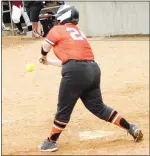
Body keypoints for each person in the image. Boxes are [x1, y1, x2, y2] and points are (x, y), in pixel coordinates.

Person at [39, 5, 143, 152]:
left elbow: (46, 46)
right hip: (93, 69)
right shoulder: (79, 32)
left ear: (64, 17)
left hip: (76, 71)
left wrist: (43, 56)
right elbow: (72, 61)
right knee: (99, 108)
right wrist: (48, 63)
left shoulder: (58, 30)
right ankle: (130, 127)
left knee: (63, 109)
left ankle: (51, 142)